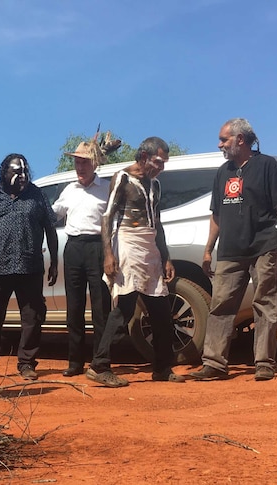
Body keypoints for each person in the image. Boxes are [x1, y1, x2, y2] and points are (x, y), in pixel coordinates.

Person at [189, 118, 277, 382]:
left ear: (240, 139)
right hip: (229, 250)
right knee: (221, 305)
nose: (219, 144)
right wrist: (207, 249)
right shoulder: (223, 172)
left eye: (224, 139)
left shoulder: (266, 165)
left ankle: (264, 363)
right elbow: (216, 215)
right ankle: (214, 363)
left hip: (263, 245)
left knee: (265, 304)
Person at [93, 136, 186, 387]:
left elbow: (158, 223)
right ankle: (100, 365)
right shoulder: (122, 178)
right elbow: (106, 217)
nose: (161, 167)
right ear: (143, 157)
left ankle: (163, 367)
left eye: (164, 162)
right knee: (124, 307)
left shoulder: (155, 184)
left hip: (150, 248)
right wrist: (109, 255)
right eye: (158, 161)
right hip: (127, 243)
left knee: (161, 311)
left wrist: (166, 257)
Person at [0, 154, 59, 380]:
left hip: (30, 266)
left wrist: (54, 261)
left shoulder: (37, 195)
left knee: (33, 317)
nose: (22, 176)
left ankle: (27, 363)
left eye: (25, 171)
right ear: (4, 172)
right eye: (16, 171)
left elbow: (50, 228)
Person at [52, 141, 112, 377]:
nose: (80, 166)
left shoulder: (107, 188)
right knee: (74, 307)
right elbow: (54, 213)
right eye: (77, 161)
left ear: (94, 163)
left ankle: (100, 361)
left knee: (101, 307)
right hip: (74, 248)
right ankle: (75, 362)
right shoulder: (69, 189)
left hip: (98, 246)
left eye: (85, 161)